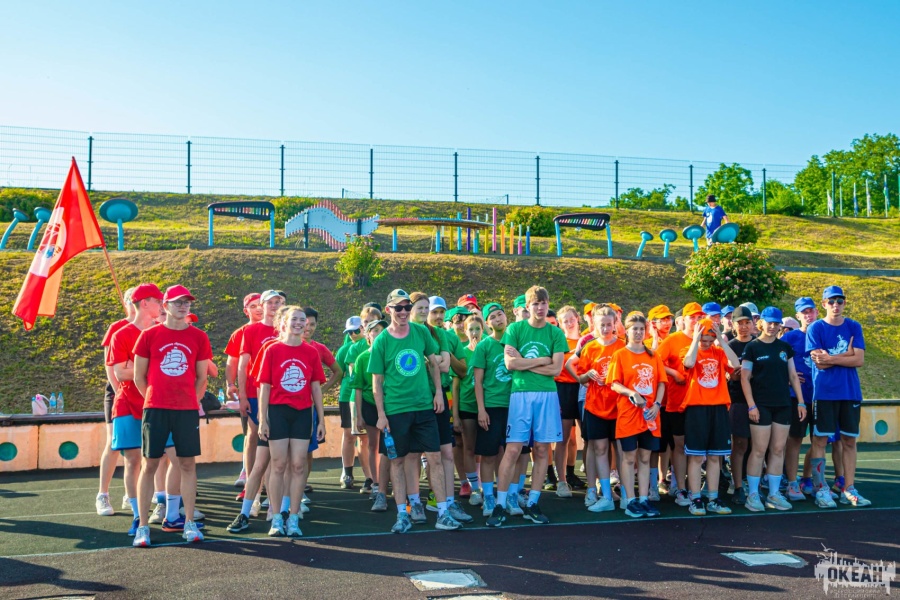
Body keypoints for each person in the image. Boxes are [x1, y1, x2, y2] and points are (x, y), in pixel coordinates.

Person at [370, 289, 461, 532]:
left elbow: (434, 363)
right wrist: (381, 414)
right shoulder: (382, 341)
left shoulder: (421, 332)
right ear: (388, 310)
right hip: (396, 410)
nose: (403, 312)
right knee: (398, 461)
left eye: (406, 307)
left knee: (435, 458)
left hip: (423, 407)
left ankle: (443, 513)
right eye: (398, 308)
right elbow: (377, 381)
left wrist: (438, 393)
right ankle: (403, 514)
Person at [132, 285, 212, 547]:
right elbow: (139, 377)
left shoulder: (199, 337)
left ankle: (188, 523)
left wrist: (192, 401)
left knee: (187, 464)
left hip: (186, 411)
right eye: (177, 302)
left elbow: (202, 378)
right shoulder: (149, 335)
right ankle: (143, 526)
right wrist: (153, 399)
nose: (183, 306)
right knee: (149, 465)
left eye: (187, 302)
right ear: (165, 305)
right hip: (155, 409)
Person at [487, 286, 568, 527]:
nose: (540, 308)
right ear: (527, 307)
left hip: (547, 396)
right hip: (521, 395)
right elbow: (510, 364)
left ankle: (533, 503)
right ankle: (500, 504)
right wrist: (541, 360)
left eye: (543, 303)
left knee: (542, 450)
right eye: (535, 304)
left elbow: (556, 369)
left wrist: (525, 362)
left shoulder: (555, 333)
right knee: (513, 449)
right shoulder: (515, 329)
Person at [257, 307, 326, 538]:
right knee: (278, 465)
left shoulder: (311, 352)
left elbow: (315, 387)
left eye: (302, 320)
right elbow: (264, 387)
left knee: (298, 465)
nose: (299, 323)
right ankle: (276, 517)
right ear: (284, 322)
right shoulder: (272, 349)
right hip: (278, 412)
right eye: (294, 319)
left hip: (302, 413)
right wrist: (262, 419)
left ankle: (293, 518)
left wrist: (321, 420)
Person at [806, 285, 870, 508]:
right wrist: (847, 354)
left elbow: (859, 360)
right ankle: (820, 488)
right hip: (824, 393)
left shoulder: (854, 326)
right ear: (824, 304)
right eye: (831, 301)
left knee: (849, 440)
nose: (836, 305)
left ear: (844, 303)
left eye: (839, 301)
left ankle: (848, 488)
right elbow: (819, 362)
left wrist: (832, 358)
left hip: (849, 392)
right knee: (820, 440)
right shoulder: (815, 328)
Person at [107, 284, 163, 535]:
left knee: (158, 459)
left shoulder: (163, 331)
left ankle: (166, 508)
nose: (162, 304)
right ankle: (138, 515)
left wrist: (137, 367)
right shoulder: (121, 334)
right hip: (128, 403)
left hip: (158, 404)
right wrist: (151, 368)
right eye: (158, 300)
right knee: (132, 460)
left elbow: (168, 367)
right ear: (145, 303)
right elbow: (120, 372)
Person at [740, 307, 807, 512]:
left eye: (776, 323)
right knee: (759, 450)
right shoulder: (752, 347)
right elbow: (744, 378)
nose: (772, 326)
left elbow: (793, 376)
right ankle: (753, 494)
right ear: (761, 323)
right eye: (769, 322)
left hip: (783, 405)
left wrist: (801, 402)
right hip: (761, 405)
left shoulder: (784, 347)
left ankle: (774, 494)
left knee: (778, 449)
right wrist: (751, 405)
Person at [607, 312, 666, 518]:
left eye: (642, 329)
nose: (639, 332)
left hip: (650, 415)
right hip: (629, 414)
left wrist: (657, 404)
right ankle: (630, 500)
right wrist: (631, 393)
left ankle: (643, 498)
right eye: (635, 329)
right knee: (629, 457)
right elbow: (614, 383)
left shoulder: (653, 356)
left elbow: (661, 383)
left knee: (645, 457)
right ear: (627, 331)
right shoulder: (620, 355)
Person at [681, 318, 741, 516]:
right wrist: (695, 339)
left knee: (715, 456)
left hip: (718, 408)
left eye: (710, 340)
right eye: (703, 340)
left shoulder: (719, 352)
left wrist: (721, 341)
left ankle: (713, 498)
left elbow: (736, 364)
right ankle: (695, 498)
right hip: (697, 409)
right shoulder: (690, 350)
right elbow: (688, 363)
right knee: (696, 456)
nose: (706, 344)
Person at [568, 305, 625, 512]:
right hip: (595, 406)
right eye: (602, 325)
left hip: (619, 407)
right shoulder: (590, 347)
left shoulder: (622, 346)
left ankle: (626, 493)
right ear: (595, 325)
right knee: (599, 448)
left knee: (621, 451)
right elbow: (580, 376)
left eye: (609, 324)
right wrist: (587, 375)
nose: (606, 328)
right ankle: (605, 495)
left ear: (615, 324)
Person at [657, 302, 704, 507]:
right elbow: (656, 362)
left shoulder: (706, 339)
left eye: (699, 317)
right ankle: (680, 486)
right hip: (677, 402)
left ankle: (695, 487)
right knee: (679, 445)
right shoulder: (673, 339)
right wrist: (674, 373)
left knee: (696, 446)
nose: (695, 321)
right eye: (691, 317)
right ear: (682, 320)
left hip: (700, 402)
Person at [97, 286, 136, 516]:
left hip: (141, 393)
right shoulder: (117, 327)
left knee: (139, 448)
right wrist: (118, 389)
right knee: (113, 443)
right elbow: (110, 365)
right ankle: (103, 494)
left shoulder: (151, 327)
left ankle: (130, 495)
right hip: (118, 392)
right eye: (131, 299)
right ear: (126, 302)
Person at [471, 302, 512, 518]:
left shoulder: (515, 341)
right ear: (487, 323)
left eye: (500, 314)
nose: (498, 319)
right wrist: (481, 410)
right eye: (492, 317)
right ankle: (488, 496)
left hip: (514, 406)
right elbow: (478, 382)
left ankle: (510, 495)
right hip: (492, 406)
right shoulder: (484, 346)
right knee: (488, 455)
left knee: (512, 454)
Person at [224, 293, 264, 489]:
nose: (258, 309)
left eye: (260, 304)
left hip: (271, 392)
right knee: (251, 433)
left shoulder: (278, 329)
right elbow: (232, 362)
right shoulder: (240, 333)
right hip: (249, 391)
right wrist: (231, 385)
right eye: (253, 306)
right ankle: (248, 474)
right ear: (245, 311)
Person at [351, 319, 391, 511]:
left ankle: (391, 481)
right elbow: (358, 388)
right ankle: (376, 483)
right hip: (369, 404)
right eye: (374, 330)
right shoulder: (362, 358)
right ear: (367, 335)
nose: (377, 333)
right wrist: (359, 415)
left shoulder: (390, 354)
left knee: (390, 445)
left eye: (381, 330)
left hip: (390, 404)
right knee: (374, 445)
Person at [781, 297, 816, 501]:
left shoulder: (822, 333)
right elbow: (776, 364)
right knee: (795, 438)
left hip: (821, 396)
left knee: (819, 440)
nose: (808, 315)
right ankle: (792, 482)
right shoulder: (790, 337)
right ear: (798, 316)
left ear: (817, 312)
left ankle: (808, 478)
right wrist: (787, 378)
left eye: (811, 311)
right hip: (796, 397)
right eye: (804, 312)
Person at [552, 305, 584, 497]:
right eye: (565, 321)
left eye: (572, 319)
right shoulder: (558, 341)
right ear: (560, 323)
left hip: (583, 387)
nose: (569, 323)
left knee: (588, 437)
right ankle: (562, 481)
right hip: (563, 389)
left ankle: (595, 480)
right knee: (563, 438)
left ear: (577, 319)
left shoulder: (586, 339)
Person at [726, 306, 754, 505]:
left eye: (747, 322)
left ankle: (754, 484)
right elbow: (728, 374)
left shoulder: (759, 344)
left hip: (761, 400)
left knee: (758, 446)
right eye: (739, 323)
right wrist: (731, 375)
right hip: (737, 400)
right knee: (740, 443)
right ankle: (737, 484)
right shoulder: (730, 346)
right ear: (733, 325)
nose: (743, 327)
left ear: (753, 323)